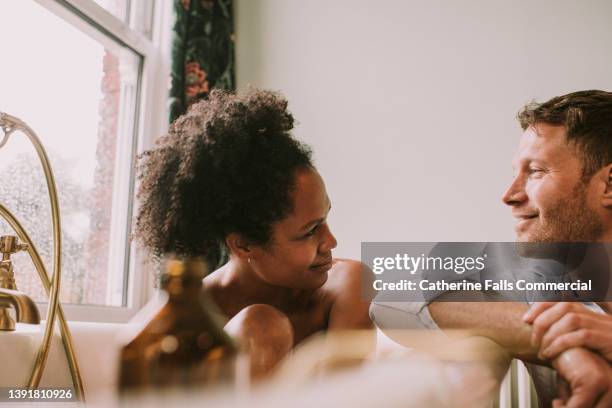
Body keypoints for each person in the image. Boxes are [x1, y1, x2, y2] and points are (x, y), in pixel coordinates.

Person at [371, 90, 612, 406]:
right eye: (516, 173)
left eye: (536, 171)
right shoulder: (535, 279)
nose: (509, 195)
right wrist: (568, 348)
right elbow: (395, 296)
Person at [134, 89, 372, 379]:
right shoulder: (188, 312)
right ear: (244, 245)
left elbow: (341, 398)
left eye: (325, 219)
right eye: (310, 231)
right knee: (261, 324)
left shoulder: (347, 286)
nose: (331, 241)